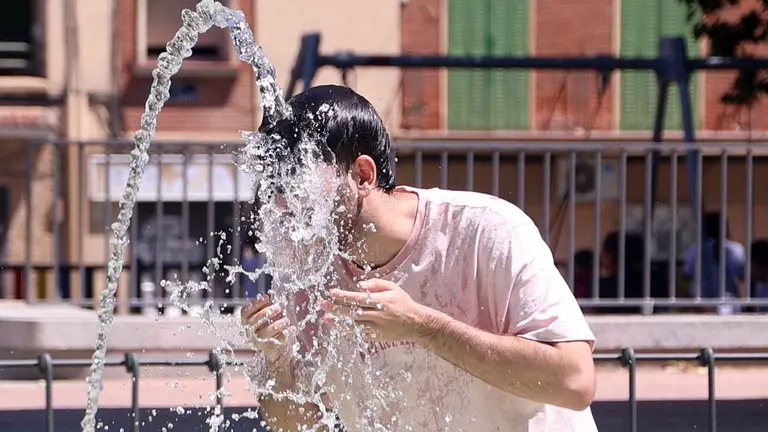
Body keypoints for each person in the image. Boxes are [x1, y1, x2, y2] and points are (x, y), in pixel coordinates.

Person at [240, 85, 597, 431]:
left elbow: (575, 382)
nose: (283, 203)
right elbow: (300, 426)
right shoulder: (307, 273)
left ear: (363, 175)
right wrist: (278, 361)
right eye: (276, 185)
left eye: (297, 179)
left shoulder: (488, 231)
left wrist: (423, 328)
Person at [683, 212, 746, 314]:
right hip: (729, 301)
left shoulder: (695, 249)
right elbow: (742, 275)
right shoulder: (736, 249)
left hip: (701, 302)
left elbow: (687, 274)